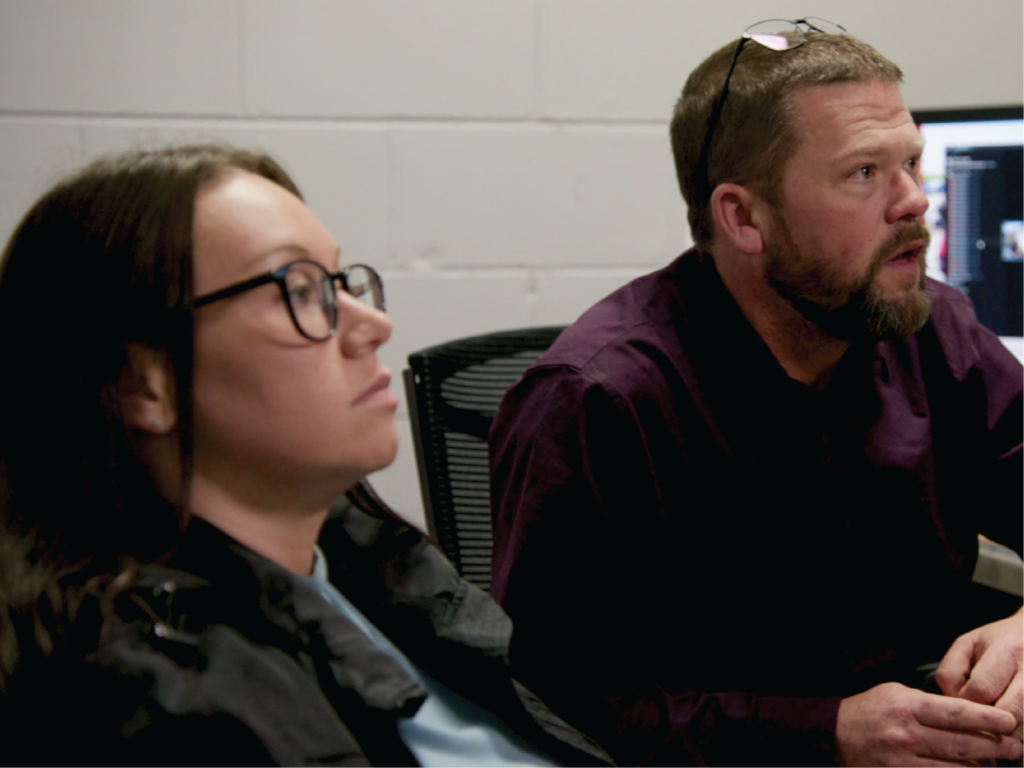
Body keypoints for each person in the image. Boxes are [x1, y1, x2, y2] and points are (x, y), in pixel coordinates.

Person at [488, 20, 1024, 768]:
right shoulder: (600, 402)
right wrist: (829, 735)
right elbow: (556, 707)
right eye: (864, 173)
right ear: (743, 218)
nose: (913, 202)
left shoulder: (934, 331)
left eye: (911, 161)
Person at [0, 144, 613, 767]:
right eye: (298, 291)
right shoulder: (158, 703)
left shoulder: (363, 564)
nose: (373, 325)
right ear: (142, 382)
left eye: (343, 283)